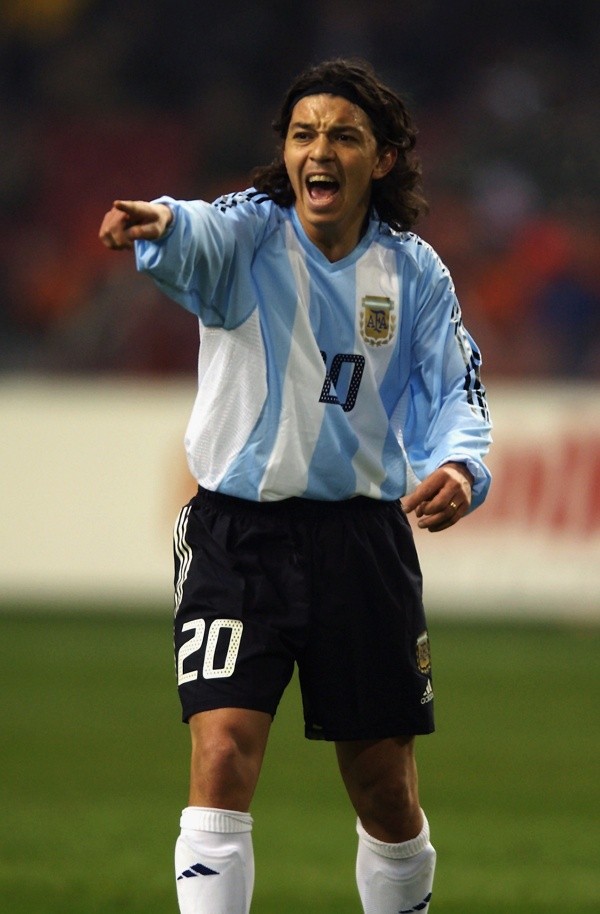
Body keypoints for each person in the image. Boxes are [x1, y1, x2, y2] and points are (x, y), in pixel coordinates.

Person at [99, 57, 492, 914]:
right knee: (223, 754)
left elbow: (454, 388)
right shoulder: (248, 235)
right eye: (303, 133)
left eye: (344, 136)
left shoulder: (414, 273)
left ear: (381, 159)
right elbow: (197, 228)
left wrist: (463, 468)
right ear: (285, 152)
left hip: (361, 543)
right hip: (238, 537)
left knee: (386, 791)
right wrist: (159, 220)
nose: (320, 150)